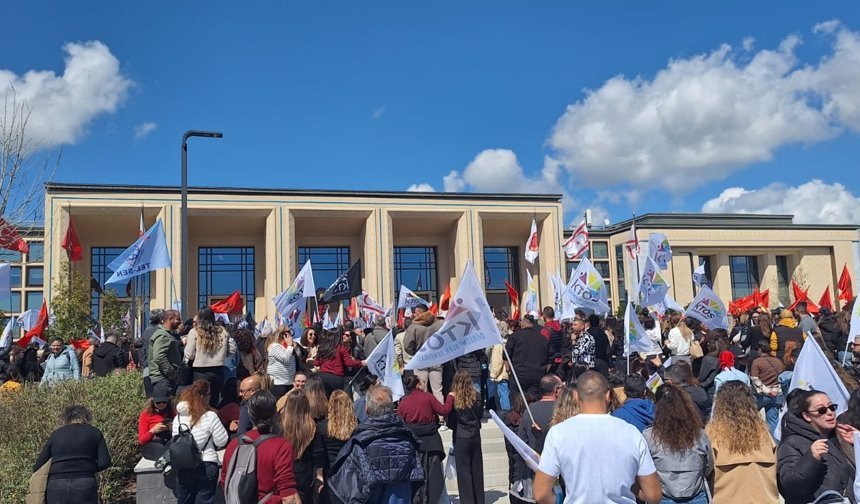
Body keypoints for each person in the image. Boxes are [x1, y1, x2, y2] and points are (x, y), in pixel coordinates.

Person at [533, 371, 662, 504]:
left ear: (576, 396)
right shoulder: (632, 433)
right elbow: (653, 495)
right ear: (608, 395)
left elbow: (541, 493)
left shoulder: (558, 433)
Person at [329, 385, 424, 503]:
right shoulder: (408, 439)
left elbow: (348, 486)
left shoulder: (360, 442)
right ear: (391, 407)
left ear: (366, 409)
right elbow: (417, 479)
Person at [220, 390, 299, 503]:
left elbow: (225, 479)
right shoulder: (281, 446)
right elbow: (287, 491)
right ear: (274, 413)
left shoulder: (234, 444)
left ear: (250, 413)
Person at [778, 389, 855, 503]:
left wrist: (856, 443)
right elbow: (790, 484)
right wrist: (811, 459)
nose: (830, 412)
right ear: (807, 416)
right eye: (822, 410)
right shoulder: (792, 443)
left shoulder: (840, 437)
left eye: (832, 407)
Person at [706, 381, 778, 503]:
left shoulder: (713, 432)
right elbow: (775, 468)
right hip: (764, 499)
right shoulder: (764, 433)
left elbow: (706, 468)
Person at [643, 384, 713, 504]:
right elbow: (708, 466)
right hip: (696, 496)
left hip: (664, 496)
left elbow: (645, 469)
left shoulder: (649, 436)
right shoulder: (699, 434)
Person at [33, 405, 111, 504]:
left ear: (66, 419)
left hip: (56, 486)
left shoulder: (56, 434)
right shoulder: (94, 432)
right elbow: (105, 462)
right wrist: (87, 468)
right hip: (84, 484)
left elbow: (38, 466)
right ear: (86, 417)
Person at [397, 373, 453, 504]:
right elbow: (444, 410)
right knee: (436, 478)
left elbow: (399, 421)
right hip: (432, 442)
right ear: (417, 385)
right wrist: (450, 397)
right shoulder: (427, 397)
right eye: (422, 382)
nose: (424, 384)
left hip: (413, 444)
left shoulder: (404, 402)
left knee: (417, 479)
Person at [172, 380, 230, 504]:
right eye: (209, 394)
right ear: (203, 396)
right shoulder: (210, 416)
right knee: (204, 500)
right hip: (206, 463)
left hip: (184, 465)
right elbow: (221, 441)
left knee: (184, 500)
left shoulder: (177, 417)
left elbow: (175, 440)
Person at [184, 308, 236, 408]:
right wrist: (222, 355)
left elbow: (189, 354)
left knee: (199, 401)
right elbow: (232, 349)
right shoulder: (222, 331)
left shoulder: (194, 332)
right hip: (218, 371)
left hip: (200, 372)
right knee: (214, 401)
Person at [448, 369, 486, 504]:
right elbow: (480, 415)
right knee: (477, 469)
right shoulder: (477, 396)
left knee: (464, 472)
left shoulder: (454, 398)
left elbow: (450, 420)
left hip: (461, 435)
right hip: (475, 434)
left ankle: (468, 501)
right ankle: (479, 499)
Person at [280, 390, 324, 504]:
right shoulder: (312, 426)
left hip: (283, 470)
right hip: (305, 473)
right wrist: (320, 476)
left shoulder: (279, 423)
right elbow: (318, 454)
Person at [315, 390, 358, 502]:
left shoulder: (323, 426)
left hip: (330, 471)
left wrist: (319, 476)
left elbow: (318, 453)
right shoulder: (356, 426)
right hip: (350, 471)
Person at [518, 374, 562, 454]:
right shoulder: (563, 411)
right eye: (562, 388)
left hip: (535, 462)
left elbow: (521, 440)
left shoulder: (529, 411)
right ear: (556, 390)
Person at [505, 314, 548, 397]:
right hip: (537, 374)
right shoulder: (542, 338)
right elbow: (550, 357)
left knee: (517, 402)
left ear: (522, 323)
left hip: (519, 375)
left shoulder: (514, 336)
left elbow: (506, 354)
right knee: (535, 399)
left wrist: (508, 369)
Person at [315, 329, 366, 397]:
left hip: (322, 376)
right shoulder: (341, 348)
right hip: (336, 378)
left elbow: (316, 362)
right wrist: (360, 363)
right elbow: (348, 362)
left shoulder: (323, 347)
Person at [750, 341, 785, 436]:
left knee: (749, 416)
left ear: (760, 350)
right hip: (777, 394)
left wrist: (768, 391)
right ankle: (775, 445)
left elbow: (755, 380)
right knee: (773, 421)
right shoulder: (778, 361)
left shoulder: (757, 362)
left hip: (761, 395)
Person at [149, 310, 183, 400]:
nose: (180, 322)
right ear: (170, 319)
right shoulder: (163, 335)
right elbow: (159, 357)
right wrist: (171, 373)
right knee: (163, 407)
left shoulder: (168, 334)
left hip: (165, 379)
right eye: (178, 319)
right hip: (163, 379)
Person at [138, 395, 175, 460]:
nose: (161, 404)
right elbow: (142, 440)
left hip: (169, 440)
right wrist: (153, 431)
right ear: (153, 402)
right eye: (158, 403)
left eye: (164, 402)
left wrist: (173, 427)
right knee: (161, 450)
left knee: (175, 447)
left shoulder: (173, 412)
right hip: (152, 443)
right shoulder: (146, 414)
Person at [266, 326, 298, 400]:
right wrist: (290, 346)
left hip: (289, 382)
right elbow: (285, 358)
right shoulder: (274, 346)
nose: (290, 335)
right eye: (288, 333)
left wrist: (294, 347)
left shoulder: (288, 348)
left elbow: (301, 355)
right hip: (279, 384)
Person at [138, 309, 164, 396]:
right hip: (160, 370)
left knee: (150, 399)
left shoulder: (146, 332)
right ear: (162, 319)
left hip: (147, 369)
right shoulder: (164, 332)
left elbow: (142, 351)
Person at [488, 333, 510, 411]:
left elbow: (497, 361)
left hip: (502, 374)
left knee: (503, 395)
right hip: (510, 373)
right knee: (507, 395)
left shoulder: (498, 345)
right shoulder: (510, 341)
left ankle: (505, 414)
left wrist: (493, 374)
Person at [540, 307, 564, 374]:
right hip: (560, 358)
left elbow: (543, 347)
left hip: (550, 362)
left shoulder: (545, 330)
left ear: (544, 315)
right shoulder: (560, 327)